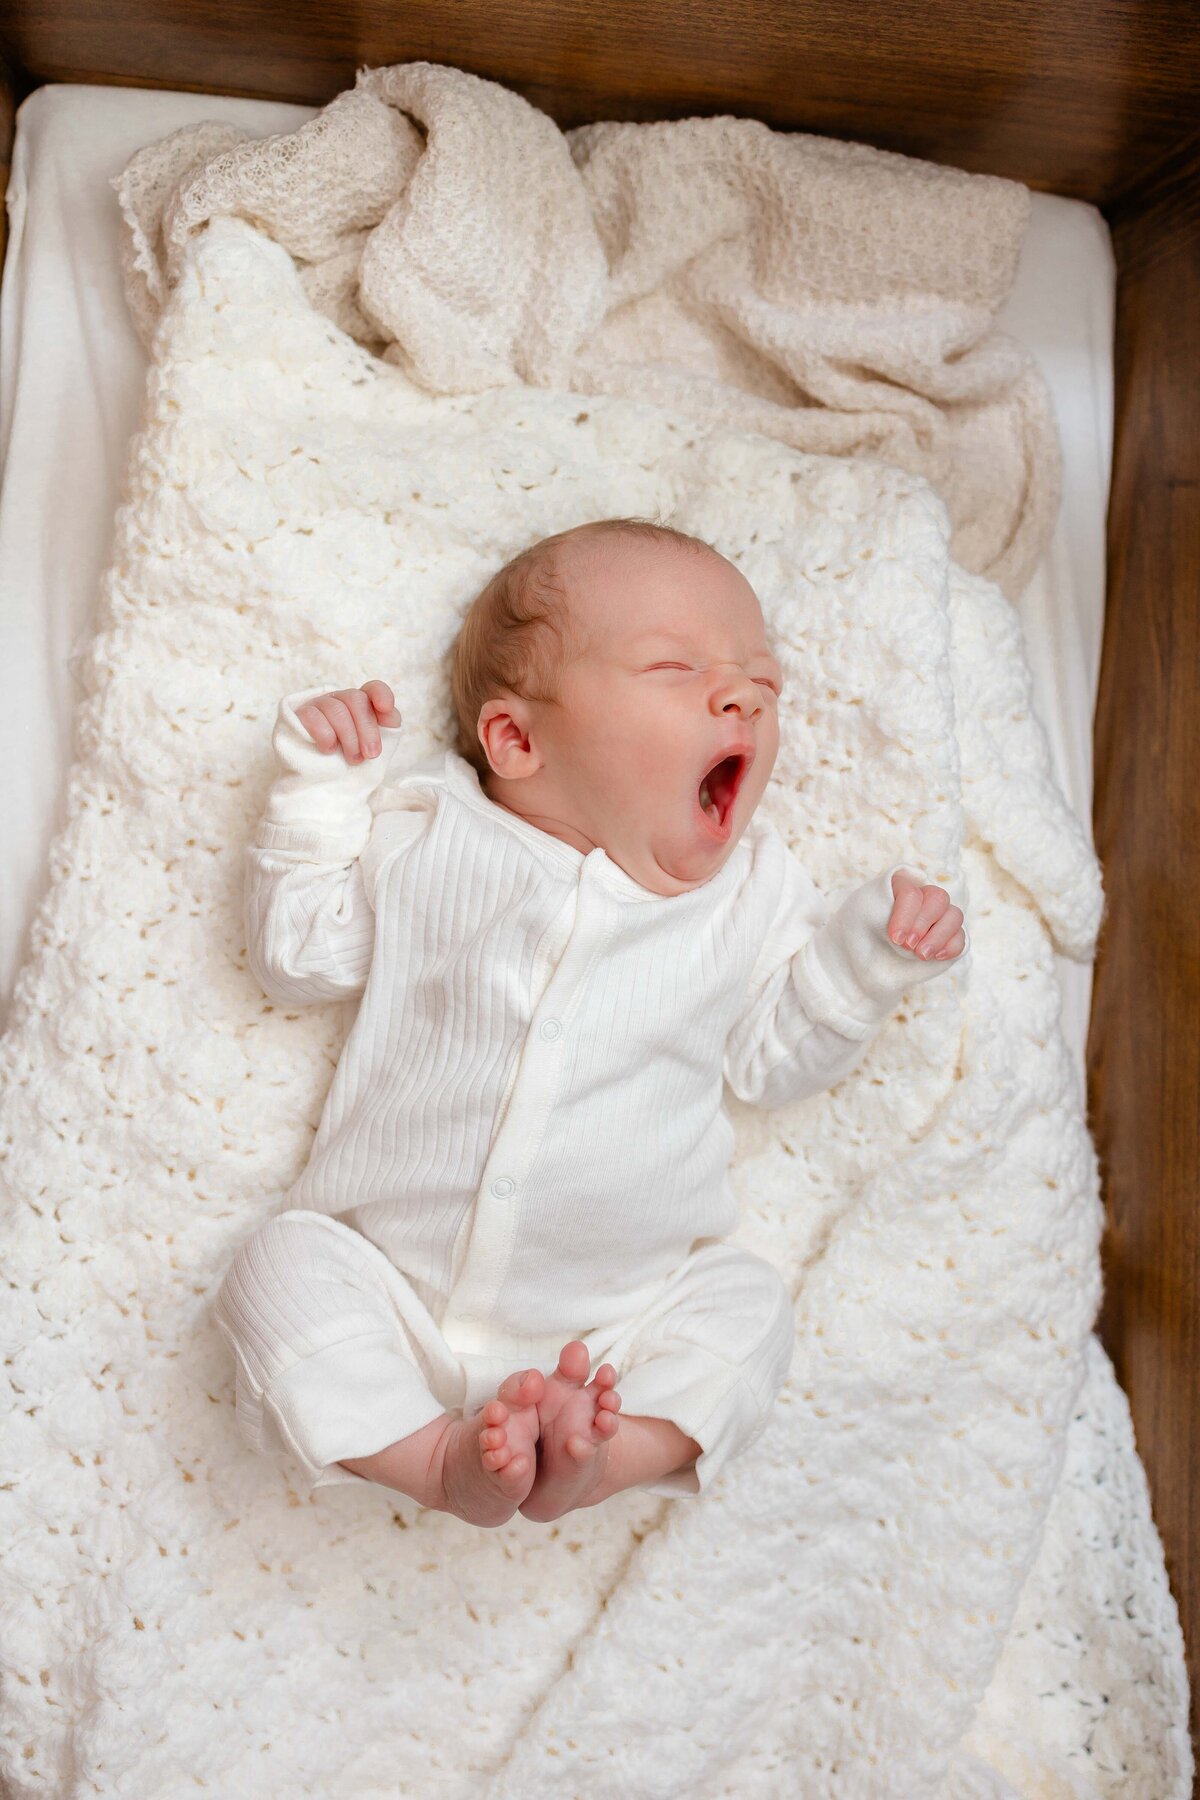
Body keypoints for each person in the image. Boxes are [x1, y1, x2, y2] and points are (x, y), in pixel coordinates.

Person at [214, 517, 968, 1526]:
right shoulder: (431, 831)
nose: (741, 695)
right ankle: (435, 1460)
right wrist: (319, 790)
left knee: (747, 1306)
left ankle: (610, 1457)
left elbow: (768, 1063)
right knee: (278, 1268)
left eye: (762, 686)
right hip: (390, 1282)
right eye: (674, 667)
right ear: (517, 740)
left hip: (615, 1326)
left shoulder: (749, 897)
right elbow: (300, 960)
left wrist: (863, 967)